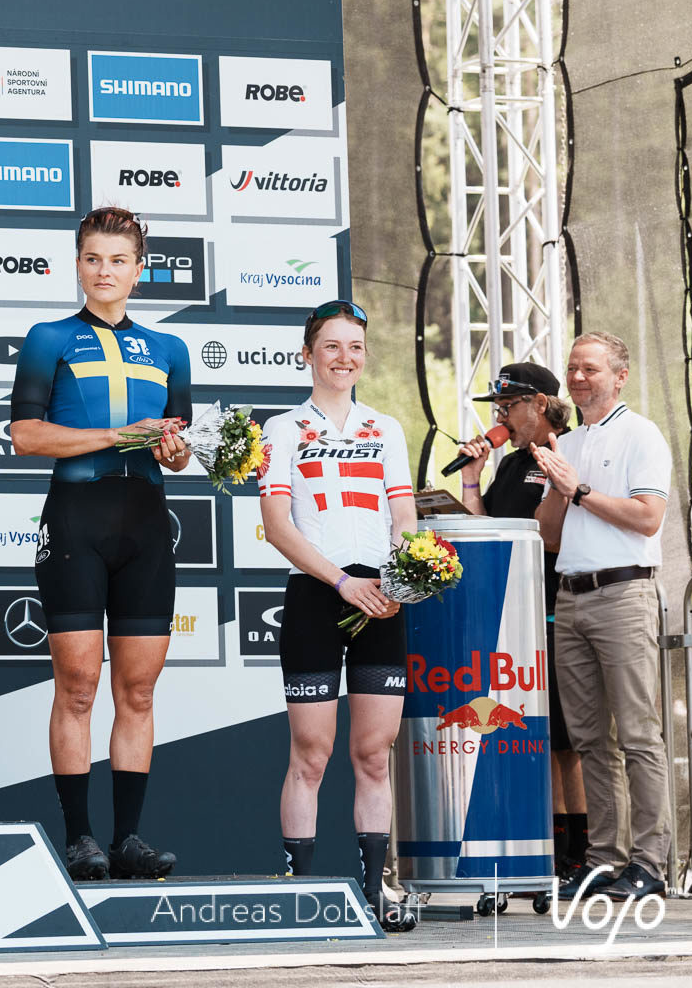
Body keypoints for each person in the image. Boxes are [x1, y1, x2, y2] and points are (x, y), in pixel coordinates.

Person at [8, 206, 193, 881]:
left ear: (139, 270)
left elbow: (178, 450)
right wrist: (118, 436)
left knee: (138, 692)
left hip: (146, 526)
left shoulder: (170, 350)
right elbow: (25, 435)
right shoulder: (49, 338)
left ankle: (128, 839)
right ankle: (79, 836)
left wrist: (172, 450)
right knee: (79, 686)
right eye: (93, 259)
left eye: (118, 260)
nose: (104, 271)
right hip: (76, 522)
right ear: (78, 264)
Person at [259, 300, 417, 932]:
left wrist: (401, 577)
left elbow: (402, 516)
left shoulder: (387, 427)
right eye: (331, 346)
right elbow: (277, 526)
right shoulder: (281, 429)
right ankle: (300, 893)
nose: (344, 357)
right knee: (312, 754)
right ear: (308, 354)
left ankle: (374, 890)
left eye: (355, 347)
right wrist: (341, 582)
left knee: (374, 754)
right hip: (317, 594)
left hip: (381, 597)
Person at [534, 332, 672, 901]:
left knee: (637, 734)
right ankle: (604, 861)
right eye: (572, 368)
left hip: (623, 593)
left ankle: (650, 863)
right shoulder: (566, 441)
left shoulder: (642, 434)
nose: (577, 377)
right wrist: (558, 487)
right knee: (590, 739)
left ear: (620, 376)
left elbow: (648, 518)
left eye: (589, 368)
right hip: (571, 596)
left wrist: (580, 489)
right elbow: (548, 535)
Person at [454, 363, 584, 881]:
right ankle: (552, 848)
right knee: (540, 737)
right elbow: (484, 532)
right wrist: (471, 478)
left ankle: (582, 850)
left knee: (570, 740)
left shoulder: (572, 450)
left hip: (558, 607)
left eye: (508, 406)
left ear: (541, 404)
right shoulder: (510, 464)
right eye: (497, 408)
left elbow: (554, 535)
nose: (500, 417)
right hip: (513, 613)